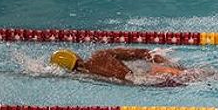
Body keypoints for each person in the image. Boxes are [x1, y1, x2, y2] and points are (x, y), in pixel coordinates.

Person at [48, 48, 187, 86]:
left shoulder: (86, 76)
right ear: (76, 55)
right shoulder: (100, 55)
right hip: (148, 77)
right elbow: (142, 53)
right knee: (196, 75)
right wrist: (163, 60)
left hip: (144, 83)